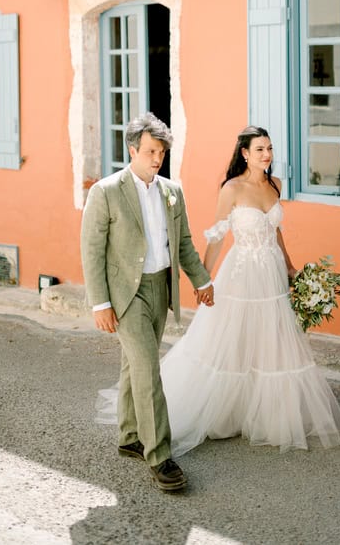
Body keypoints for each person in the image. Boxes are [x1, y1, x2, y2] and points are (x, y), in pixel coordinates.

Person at [159, 125, 340, 455]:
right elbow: (217, 237)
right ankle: (223, 409)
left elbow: (276, 232)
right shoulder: (231, 189)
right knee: (234, 337)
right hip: (242, 273)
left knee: (271, 339)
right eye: (260, 149)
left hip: (271, 273)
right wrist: (203, 279)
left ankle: (265, 412)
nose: (267, 155)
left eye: (270, 148)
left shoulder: (276, 185)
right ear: (245, 154)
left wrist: (289, 267)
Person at [80, 112, 214, 492]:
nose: (157, 158)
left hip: (160, 289)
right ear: (133, 149)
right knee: (148, 369)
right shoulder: (105, 191)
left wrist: (202, 280)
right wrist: (100, 304)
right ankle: (159, 456)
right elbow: (91, 252)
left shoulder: (173, 191)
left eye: (162, 152)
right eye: (151, 151)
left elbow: (183, 243)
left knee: (133, 366)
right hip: (125, 294)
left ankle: (129, 436)